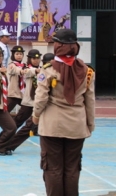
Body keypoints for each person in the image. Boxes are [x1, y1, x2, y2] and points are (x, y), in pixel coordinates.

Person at [31, 29, 95, 196]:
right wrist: (89, 124)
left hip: (52, 126)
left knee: (53, 168)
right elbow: (90, 101)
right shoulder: (86, 71)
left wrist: (36, 117)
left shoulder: (48, 70)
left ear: (58, 46)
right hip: (77, 126)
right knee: (72, 169)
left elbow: (41, 99)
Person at [4, 49, 42, 152]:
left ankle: (9, 145)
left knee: (30, 126)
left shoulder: (42, 70)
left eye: (38, 58)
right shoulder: (26, 68)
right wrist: (36, 71)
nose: (36, 60)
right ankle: (3, 141)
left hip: (38, 103)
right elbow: (26, 73)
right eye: (34, 58)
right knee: (17, 123)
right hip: (28, 101)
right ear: (29, 58)